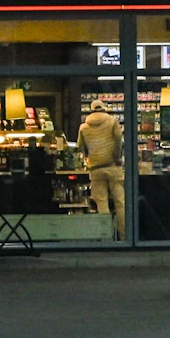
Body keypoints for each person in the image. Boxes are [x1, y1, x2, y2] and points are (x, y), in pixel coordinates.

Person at [76, 101, 125, 239]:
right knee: (120, 202)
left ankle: (106, 236)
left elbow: (80, 147)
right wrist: (117, 156)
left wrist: (89, 155)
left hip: (95, 168)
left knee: (101, 203)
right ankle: (123, 236)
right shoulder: (112, 122)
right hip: (113, 166)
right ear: (104, 108)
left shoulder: (84, 127)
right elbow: (119, 139)